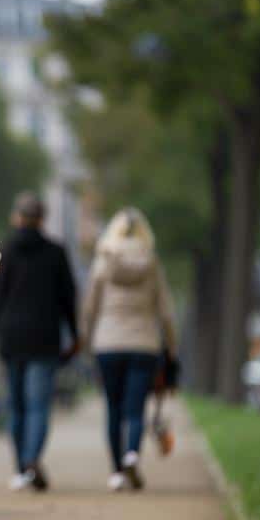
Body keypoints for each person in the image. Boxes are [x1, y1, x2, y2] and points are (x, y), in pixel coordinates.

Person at [0, 192, 79, 493]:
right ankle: (33, 458)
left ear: (16, 218)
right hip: (45, 338)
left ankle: (22, 466)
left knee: (16, 405)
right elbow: (68, 298)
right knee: (38, 405)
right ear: (42, 219)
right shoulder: (56, 253)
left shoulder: (2, 250)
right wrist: (75, 335)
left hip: (11, 337)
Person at [81, 208, 178, 492]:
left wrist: (87, 342)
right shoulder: (152, 263)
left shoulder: (102, 264)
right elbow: (166, 312)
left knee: (113, 408)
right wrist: (171, 347)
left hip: (108, 344)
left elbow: (89, 308)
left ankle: (116, 473)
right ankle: (132, 454)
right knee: (135, 410)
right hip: (144, 345)